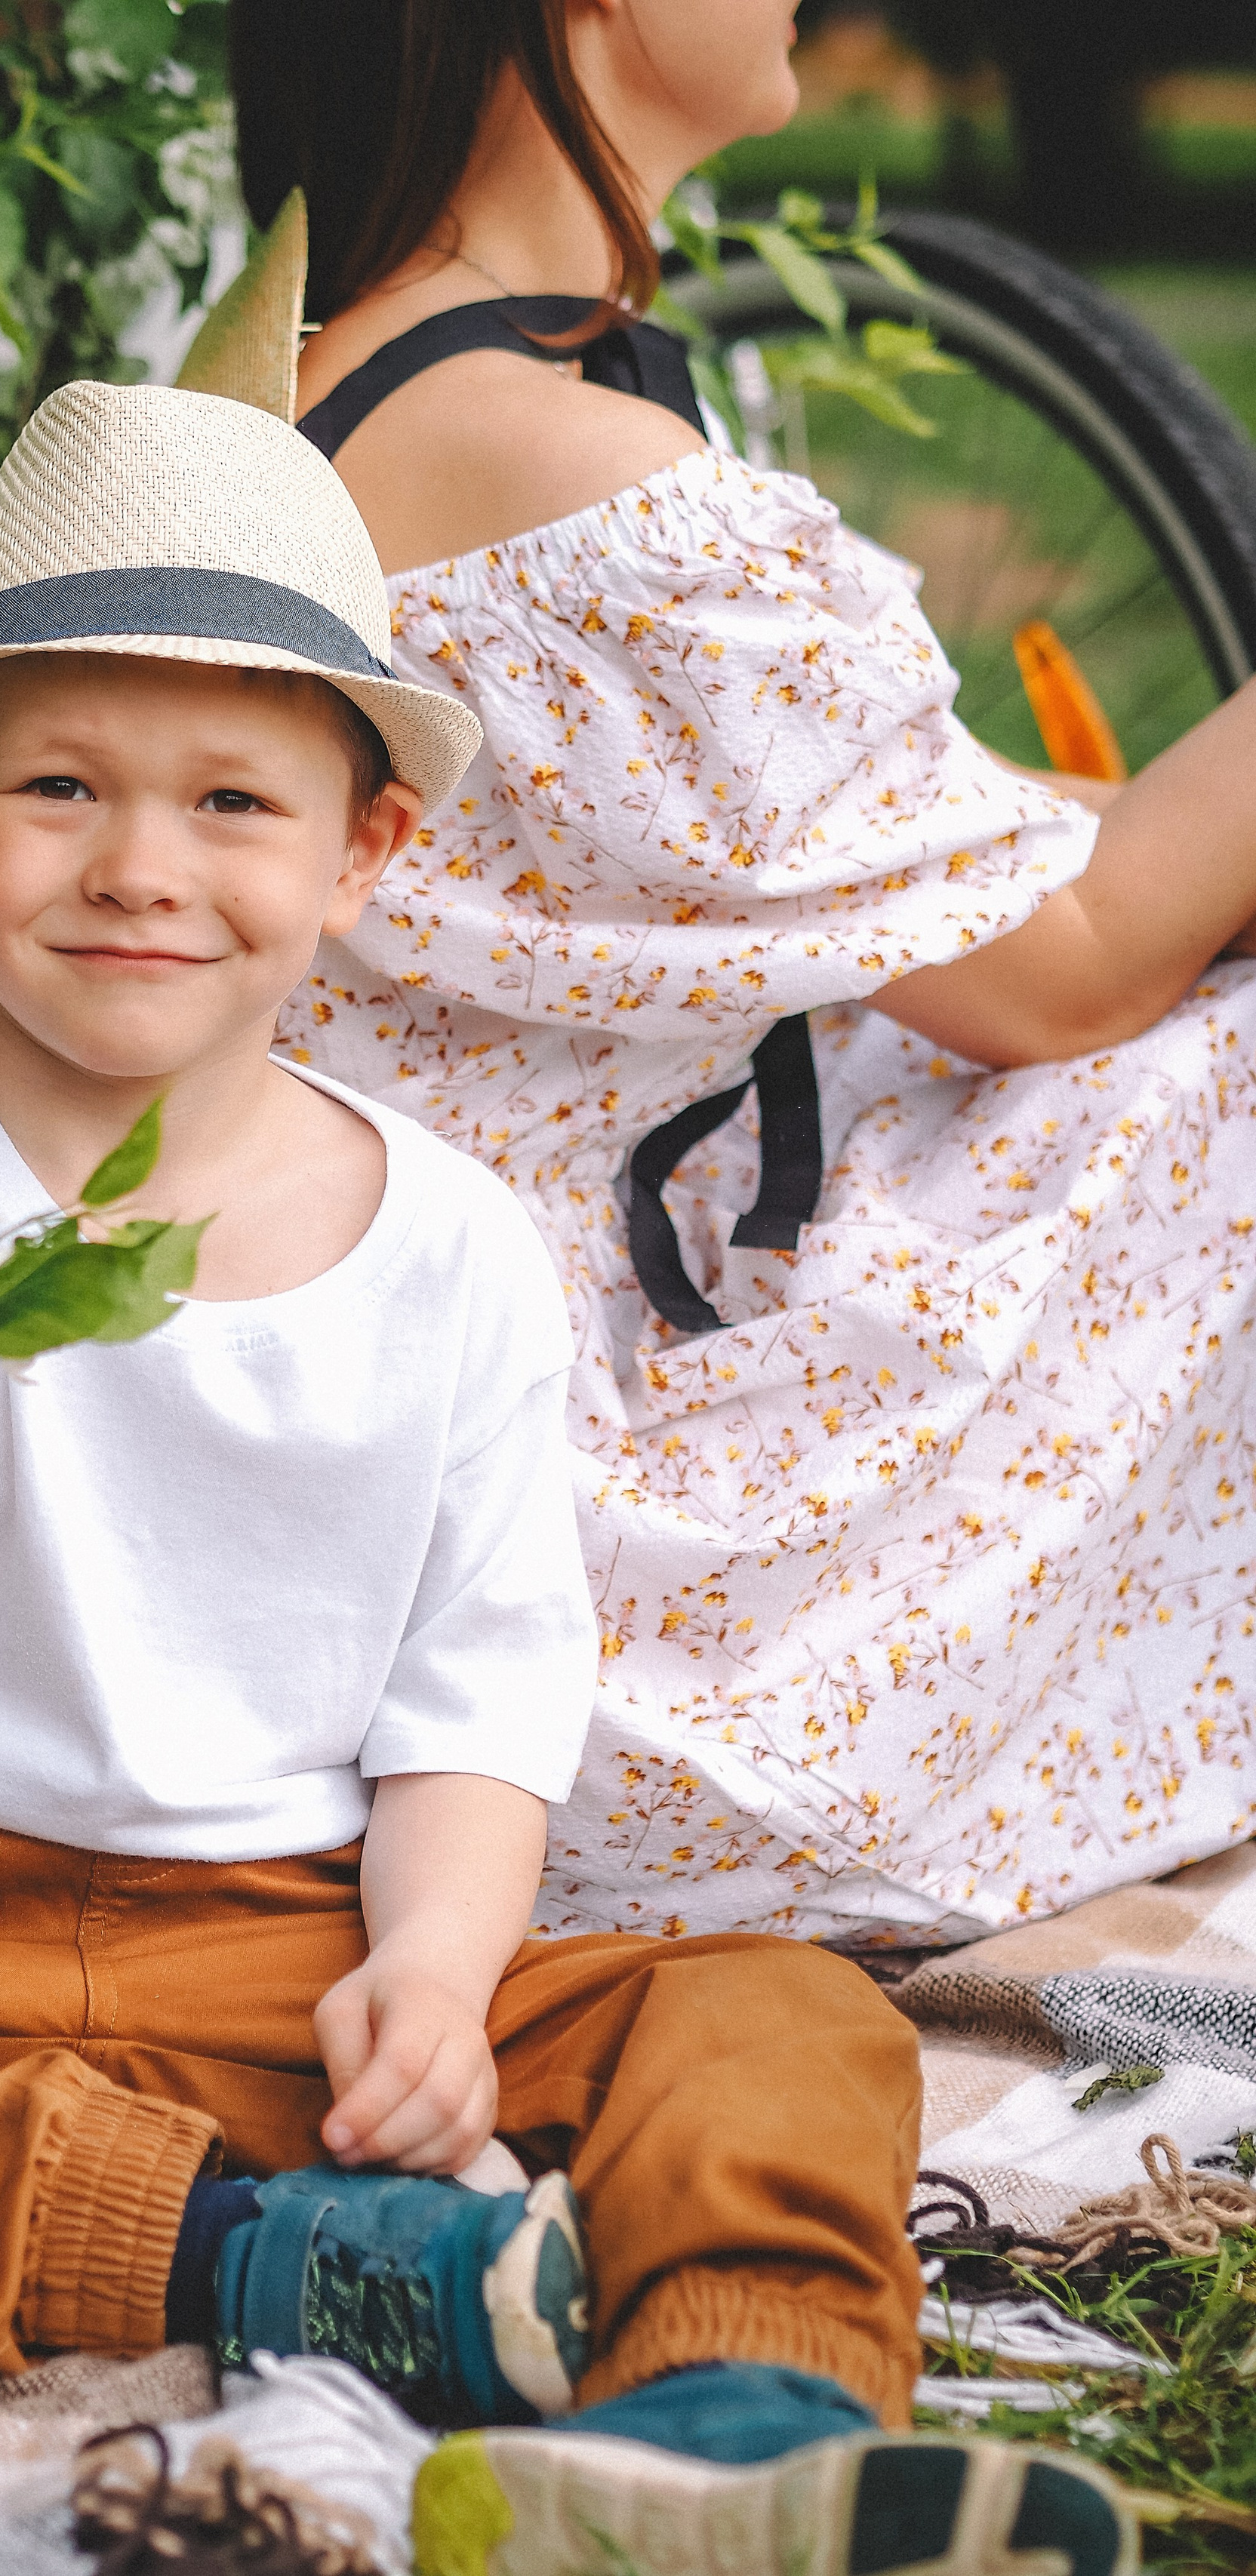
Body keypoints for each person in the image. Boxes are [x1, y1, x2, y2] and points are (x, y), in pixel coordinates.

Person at [0, 379, 1125, 2573]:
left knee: (775, 2014)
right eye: (58, 786)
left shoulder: (450, 1249)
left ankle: (732, 2425)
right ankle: (269, 2266)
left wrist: (433, 1984)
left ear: (364, 850)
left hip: (284, 1959)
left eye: (235, 801)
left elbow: (474, 1707)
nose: (140, 866)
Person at [229, 0, 1256, 1961]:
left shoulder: (352, 387)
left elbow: (956, 845)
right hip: (602, 1651)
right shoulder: (559, 466)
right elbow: (1067, 973)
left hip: (403, 1565)